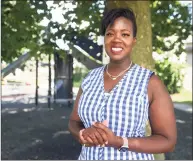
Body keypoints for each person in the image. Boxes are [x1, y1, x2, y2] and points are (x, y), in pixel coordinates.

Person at [68, 8, 177, 160]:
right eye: (110, 33)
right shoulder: (89, 79)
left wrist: (120, 142)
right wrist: (82, 133)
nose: (116, 39)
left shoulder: (150, 83)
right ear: (104, 38)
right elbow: (74, 122)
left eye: (124, 34)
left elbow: (167, 141)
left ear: (133, 41)